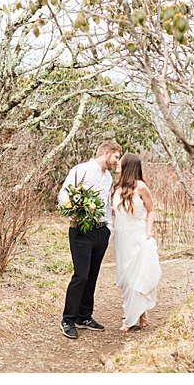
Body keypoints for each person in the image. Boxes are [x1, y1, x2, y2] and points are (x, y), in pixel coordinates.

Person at [59, 141, 122, 339]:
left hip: (101, 231)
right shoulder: (82, 170)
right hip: (81, 231)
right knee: (81, 275)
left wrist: (108, 228)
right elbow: (63, 194)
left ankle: (84, 316)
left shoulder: (108, 177)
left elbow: (107, 204)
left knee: (93, 274)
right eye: (116, 157)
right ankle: (68, 319)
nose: (116, 162)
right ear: (106, 153)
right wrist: (70, 210)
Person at [110, 152, 160, 330]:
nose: (117, 164)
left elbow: (151, 210)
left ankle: (129, 320)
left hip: (137, 237)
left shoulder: (141, 187)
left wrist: (148, 231)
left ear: (128, 165)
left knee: (135, 277)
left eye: (120, 162)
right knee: (125, 277)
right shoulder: (117, 187)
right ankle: (142, 314)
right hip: (121, 237)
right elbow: (119, 211)